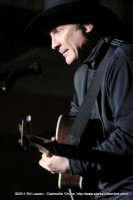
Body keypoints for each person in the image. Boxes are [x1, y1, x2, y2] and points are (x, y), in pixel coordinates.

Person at [25, 0, 133, 199]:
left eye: (58, 31)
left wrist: (72, 163)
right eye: (50, 35)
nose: (53, 44)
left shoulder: (122, 60)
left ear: (87, 25)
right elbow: (77, 128)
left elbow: (129, 134)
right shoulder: (81, 75)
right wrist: (59, 149)